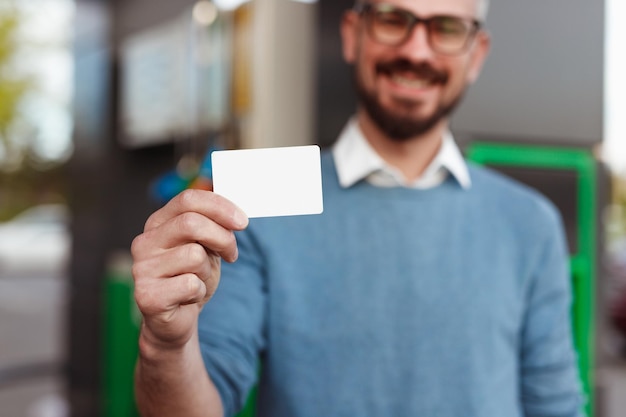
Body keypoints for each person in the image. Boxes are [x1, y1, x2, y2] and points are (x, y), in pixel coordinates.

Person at [131, 0, 585, 416]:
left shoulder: (529, 222)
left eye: (446, 28)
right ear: (353, 33)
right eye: (393, 20)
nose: (417, 51)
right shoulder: (256, 207)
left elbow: (556, 405)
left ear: (477, 53)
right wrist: (165, 345)